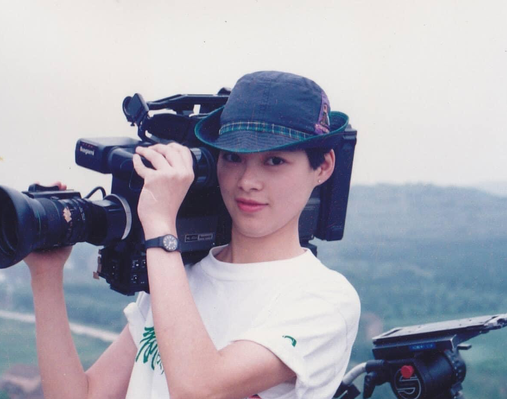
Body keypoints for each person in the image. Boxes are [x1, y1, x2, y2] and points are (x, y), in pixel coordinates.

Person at [24, 70, 360, 399]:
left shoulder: (324, 300)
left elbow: (198, 388)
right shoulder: (179, 274)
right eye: (232, 157)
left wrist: (160, 224)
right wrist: (46, 273)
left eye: (274, 161)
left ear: (323, 166)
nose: (247, 181)